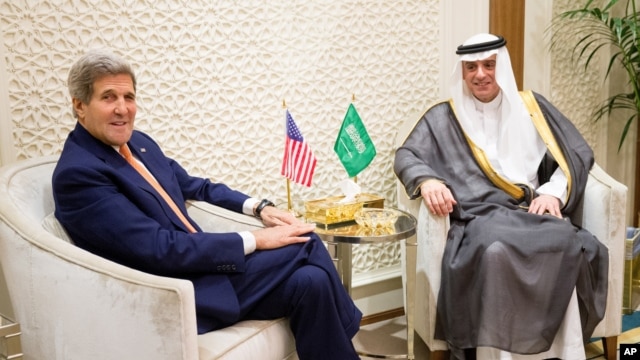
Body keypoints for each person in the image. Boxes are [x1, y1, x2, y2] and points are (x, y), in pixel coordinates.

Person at [52, 49, 362, 360]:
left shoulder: (138, 143)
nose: (123, 109)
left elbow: (196, 186)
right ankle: (354, 332)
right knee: (305, 240)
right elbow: (158, 249)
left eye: (129, 97)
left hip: (208, 271)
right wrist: (256, 239)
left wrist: (259, 208)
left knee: (313, 281)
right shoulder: (79, 174)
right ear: (80, 105)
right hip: (181, 290)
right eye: (108, 98)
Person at [394, 33, 608, 359]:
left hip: (527, 211)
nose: (480, 74)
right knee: (495, 251)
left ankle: (564, 353)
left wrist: (552, 193)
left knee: (566, 242)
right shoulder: (443, 117)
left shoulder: (532, 108)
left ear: (501, 66)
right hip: (478, 216)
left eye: (488, 64)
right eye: (471, 67)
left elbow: (576, 154)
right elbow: (406, 155)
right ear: (462, 72)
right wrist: (427, 181)